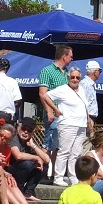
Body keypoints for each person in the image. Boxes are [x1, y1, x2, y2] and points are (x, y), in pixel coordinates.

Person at [49, 67, 91, 186]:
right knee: (64, 151)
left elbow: (85, 106)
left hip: (81, 125)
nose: (75, 79)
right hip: (67, 124)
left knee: (76, 153)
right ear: (68, 78)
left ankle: (73, 176)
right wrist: (54, 109)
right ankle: (58, 177)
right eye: (72, 77)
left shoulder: (82, 90)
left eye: (77, 77)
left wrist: (88, 120)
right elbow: (45, 96)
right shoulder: (62, 89)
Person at [38, 44, 73, 173]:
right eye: (70, 56)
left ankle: (53, 173)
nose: (72, 59)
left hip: (65, 115)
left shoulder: (68, 73)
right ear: (64, 57)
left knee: (58, 146)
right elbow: (42, 93)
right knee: (47, 143)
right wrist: (49, 111)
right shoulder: (47, 71)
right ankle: (41, 171)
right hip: (53, 113)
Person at [9, 117, 49, 201]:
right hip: (9, 170)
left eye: (29, 130)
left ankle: (28, 192)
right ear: (18, 127)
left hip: (22, 171)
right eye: (24, 129)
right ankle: (19, 191)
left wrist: (33, 146)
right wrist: (36, 157)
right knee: (28, 163)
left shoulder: (30, 142)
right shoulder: (13, 138)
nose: (26, 132)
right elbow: (18, 155)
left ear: (33, 132)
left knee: (44, 165)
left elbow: (47, 159)